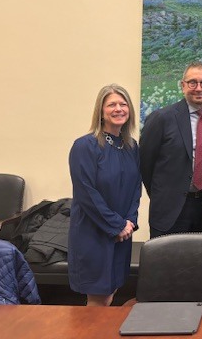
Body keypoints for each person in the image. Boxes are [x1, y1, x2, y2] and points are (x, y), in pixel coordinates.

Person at [68, 84, 141, 306]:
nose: (118, 109)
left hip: (122, 233)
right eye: (112, 104)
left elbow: (135, 188)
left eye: (123, 104)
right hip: (94, 232)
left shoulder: (131, 146)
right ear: (101, 110)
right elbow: (86, 193)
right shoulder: (85, 146)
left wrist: (129, 222)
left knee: (112, 290)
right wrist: (115, 225)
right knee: (97, 300)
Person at [139, 61, 202, 237]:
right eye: (192, 82)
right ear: (183, 86)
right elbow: (145, 164)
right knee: (167, 263)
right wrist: (163, 194)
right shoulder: (161, 118)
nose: (198, 88)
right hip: (170, 210)